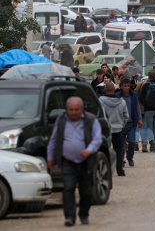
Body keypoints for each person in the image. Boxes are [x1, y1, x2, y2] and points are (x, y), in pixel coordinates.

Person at [47, 97, 101, 226]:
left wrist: (89, 150)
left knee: (86, 190)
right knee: (68, 188)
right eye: (71, 109)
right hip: (67, 161)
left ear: (81, 109)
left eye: (76, 109)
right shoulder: (61, 120)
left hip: (85, 161)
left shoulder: (91, 120)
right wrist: (50, 158)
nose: (74, 112)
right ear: (67, 110)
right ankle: (70, 217)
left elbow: (97, 139)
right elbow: (53, 141)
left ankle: (83, 214)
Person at [99, 82, 129, 176]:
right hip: (118, 130)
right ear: (114, 90)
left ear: (105, 90)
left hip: (105, 130)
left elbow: (99, 115)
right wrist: (121, 124)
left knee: (105, 150)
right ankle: (120, 170)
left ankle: (105, 171)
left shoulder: (100, 101)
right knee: (119, 150)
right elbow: (126, 116)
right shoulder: (122, 101)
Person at [116, 77, 142, 167]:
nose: (126, 88)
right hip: (121, 124)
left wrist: (139, 119)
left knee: (131, 142)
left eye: (128, 86)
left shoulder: (133, 95)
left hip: (131, 123)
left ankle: (130, 158)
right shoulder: (118, 96)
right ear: (121, 86)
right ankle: (121, 160)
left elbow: (137, 107)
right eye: (125, 86)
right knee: (121, 143)